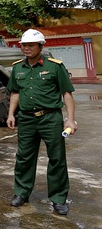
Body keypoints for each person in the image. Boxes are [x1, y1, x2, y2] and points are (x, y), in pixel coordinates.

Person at [7, 28, 76, 215]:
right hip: (27, 119)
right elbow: (15, 92)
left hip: (50, 118)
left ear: (40, 46)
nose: (26, 48)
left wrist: (70, 120)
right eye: (24, 45)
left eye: (31, 45)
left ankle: (59, 199)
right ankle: (21, 193)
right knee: (24, 157)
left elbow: (66, 94)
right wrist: (11, 114)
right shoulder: (18, 67)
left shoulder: (55, 66)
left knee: (57, 158)